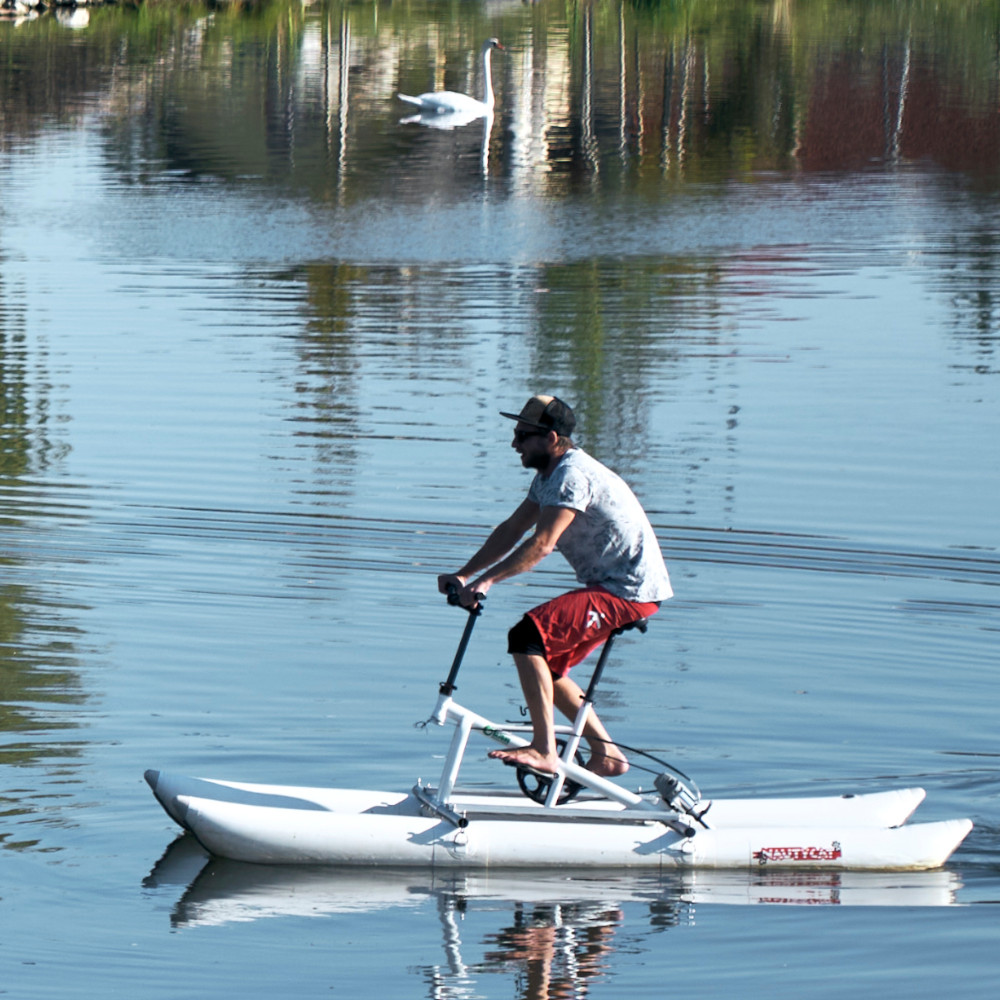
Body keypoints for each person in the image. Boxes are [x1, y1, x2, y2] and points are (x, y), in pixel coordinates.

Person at [438, 394, 673, 778]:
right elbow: (513, 529)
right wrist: (465, 575)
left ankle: (545, 750)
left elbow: (542, 543)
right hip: (614, 586)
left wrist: (488, 580)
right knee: (546, 663)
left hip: (628, 590)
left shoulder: (571, 476)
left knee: (527, 636)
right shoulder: (548, 477)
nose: (514, 444)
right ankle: (607, 755)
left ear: (550, 438)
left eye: (522, 435)